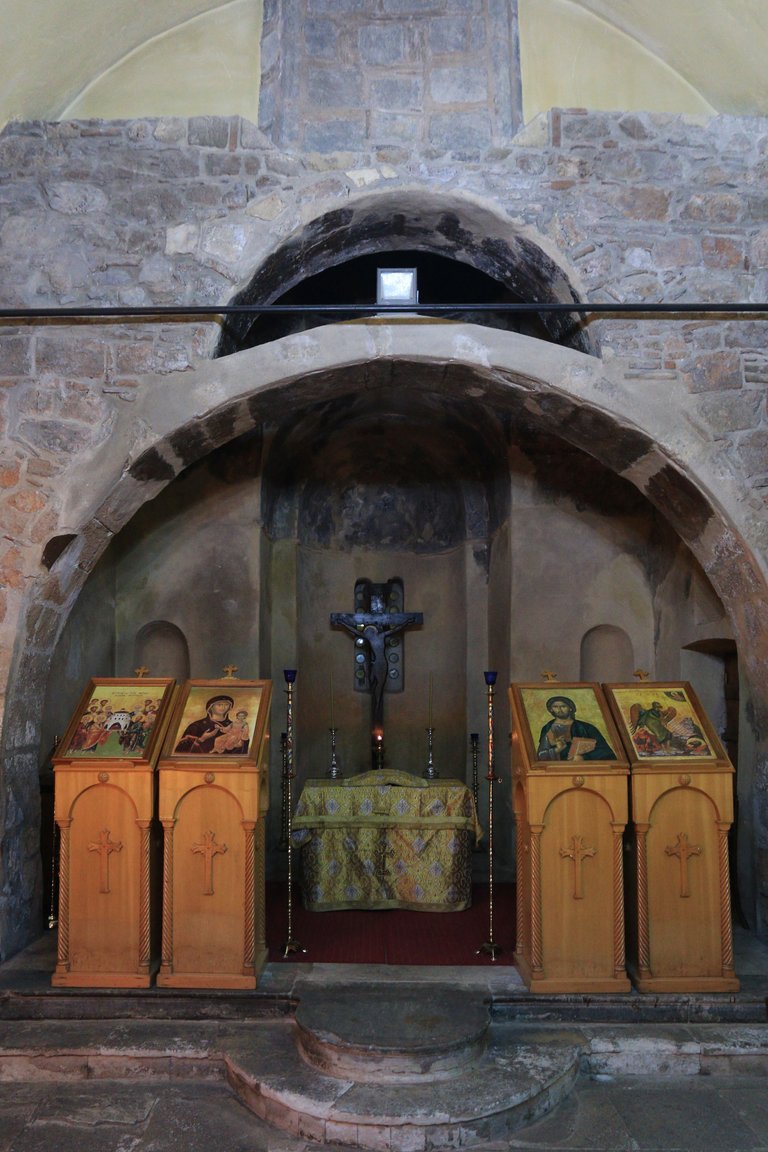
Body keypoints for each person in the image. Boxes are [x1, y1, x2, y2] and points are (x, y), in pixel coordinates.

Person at [536, 695, 616, 761]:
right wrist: (557, 750)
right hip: (557, 770)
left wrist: (584, 757)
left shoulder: (586, 727)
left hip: (583, 768)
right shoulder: (547, 728)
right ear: (551, 709)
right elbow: (541, 756)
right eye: (555, 707)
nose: (559, 710)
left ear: (570, 708)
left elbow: (605, 751)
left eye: (563, 706)